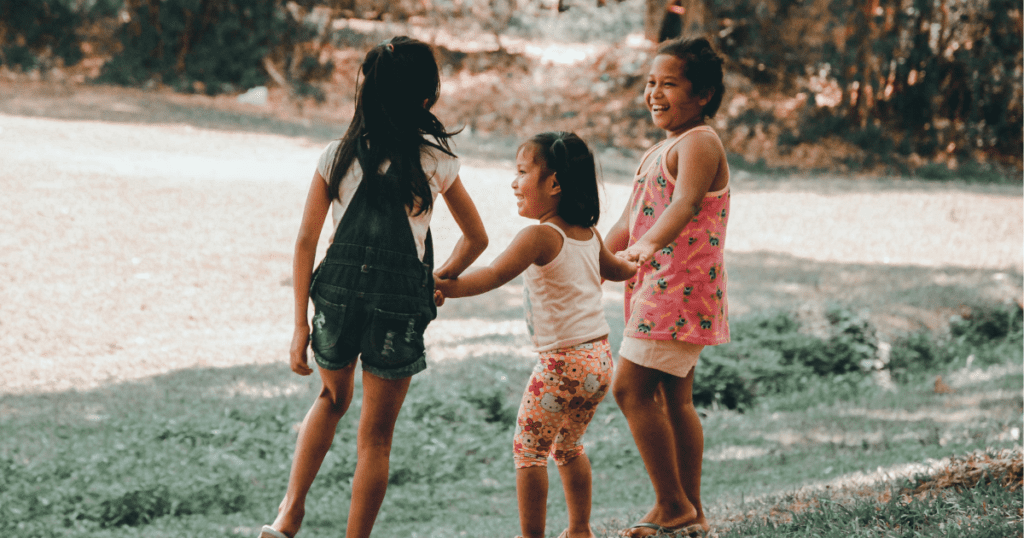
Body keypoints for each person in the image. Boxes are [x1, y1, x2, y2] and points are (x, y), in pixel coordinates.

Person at [259, 36, 488, 538]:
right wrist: (438, 280)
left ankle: (289, 515)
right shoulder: (436, 162)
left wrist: (298, 323)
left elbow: (305, 242)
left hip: (335, 296)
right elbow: (477, 238)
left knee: (329, 400)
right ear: (426, 100)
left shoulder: (335, 156)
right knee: (376, 439)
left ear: (364, 93)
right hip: (398, 307)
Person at [435, 132, 637, 538]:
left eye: (523, 172)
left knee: (529, 452)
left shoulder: (541, 236)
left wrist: (440, 286)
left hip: (561, 363)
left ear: (555, 184)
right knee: (568, 447)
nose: (514, 182)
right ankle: (579, 529)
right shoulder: (589, 235)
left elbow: (492, 275)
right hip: (598, 360)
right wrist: (636, 261)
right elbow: (616, 270)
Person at [605, 37, 730, 538]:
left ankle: (671, 503)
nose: (654, 93)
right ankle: (691, 513)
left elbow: (682, 206)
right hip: (660, 286)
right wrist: (589, 258)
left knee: (630, 389)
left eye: (669, 84)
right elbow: (627, 222)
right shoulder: (662, 148)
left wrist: (643, 250)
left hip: (676, 288)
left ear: (702, 94)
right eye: (650, 83)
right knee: (675, 400)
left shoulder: (700, 141)